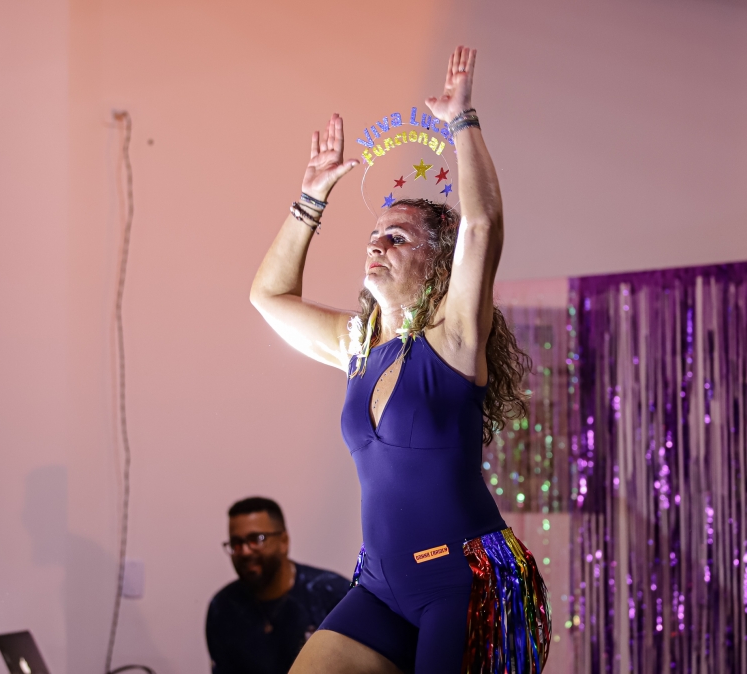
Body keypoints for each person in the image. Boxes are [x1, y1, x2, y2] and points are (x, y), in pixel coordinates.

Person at [250, 46, 550, 674]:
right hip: (381, 587)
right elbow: (268, 297)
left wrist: (461, 121)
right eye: (373, 236)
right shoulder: (357, 347)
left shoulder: (454, 339)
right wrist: (310, 201)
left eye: (397, 236)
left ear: (438, 262)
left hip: (463, 585)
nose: (377, 245)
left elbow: (482, 225)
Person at [206, 497, 350, 674]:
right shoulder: (223, 608)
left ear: (284, 541)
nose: (245, 551)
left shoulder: (334, 596)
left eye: (256, 539)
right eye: (236, 543)